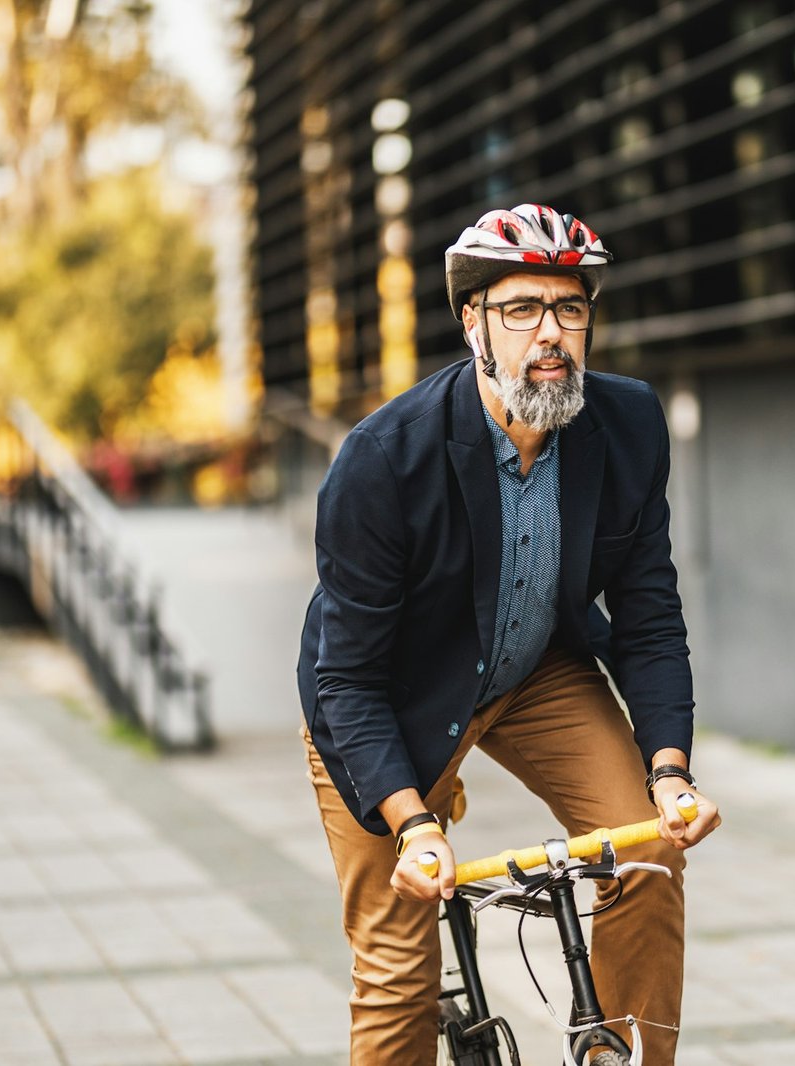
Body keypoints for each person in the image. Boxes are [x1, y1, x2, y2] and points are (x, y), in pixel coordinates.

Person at [296, 203, 720, 1066]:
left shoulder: (629, 423)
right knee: (398, 964)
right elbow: (348, 680)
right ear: (474, 324)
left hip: (535, 671)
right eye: (522, 309)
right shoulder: (383, 459)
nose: (550, 332)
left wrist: (670, 772)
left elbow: (648, 614)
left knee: (647, 857)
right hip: (391, 695)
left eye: (569, 308)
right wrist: (413, 825)